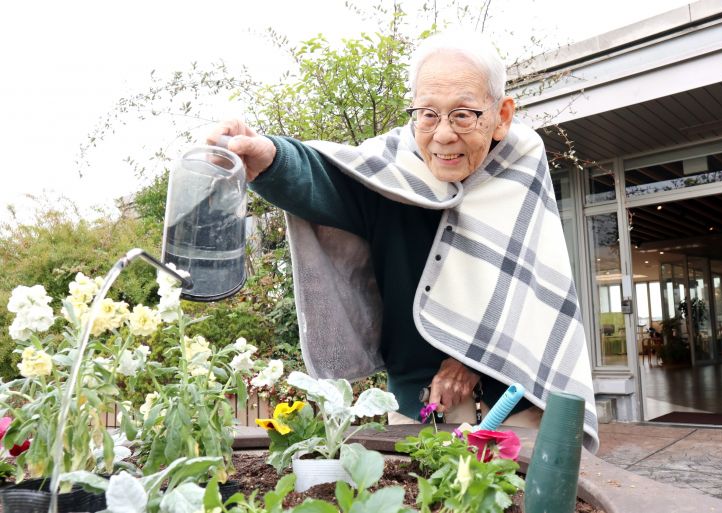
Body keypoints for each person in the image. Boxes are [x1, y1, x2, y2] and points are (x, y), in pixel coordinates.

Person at [209, 31, 599, 451]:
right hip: (415, 408)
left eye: (464, 114)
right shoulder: (392, 168)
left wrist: (470, 360)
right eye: (428, 114)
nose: (444, 134)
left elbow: (531, 288)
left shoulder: (521, 169)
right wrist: (269, 157)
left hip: (517, 407)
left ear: (502, 115)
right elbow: (326, 178)